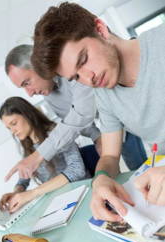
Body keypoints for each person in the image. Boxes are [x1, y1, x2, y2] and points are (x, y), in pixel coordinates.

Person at [31, 2, 165, 221]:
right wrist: (101, 179)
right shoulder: (104, 95)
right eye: (76, 77)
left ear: (101, 29)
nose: (88, 79)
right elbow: (111, 155)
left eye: (83, 60)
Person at [4, 44, 147, 180]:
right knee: (138, 172)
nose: (29, 94)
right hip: (114, 126)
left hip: (132, 112)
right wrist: (97, 137)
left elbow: (81, 113)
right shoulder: (48, 95)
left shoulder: (70, 70)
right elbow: (73, 121)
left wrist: (38, 155)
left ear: (39, 65)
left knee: (150, 164)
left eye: (27, 83)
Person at [0, 96, 88, 213]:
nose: (13, 131)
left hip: (80, 192)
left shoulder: (57, 134)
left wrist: (33, 193)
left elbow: (77, 170)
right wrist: (16, 194)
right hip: (58, 199)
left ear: (27, 115)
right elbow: (23, 180)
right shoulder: (27, 145)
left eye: (14, 123)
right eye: (9, 128)